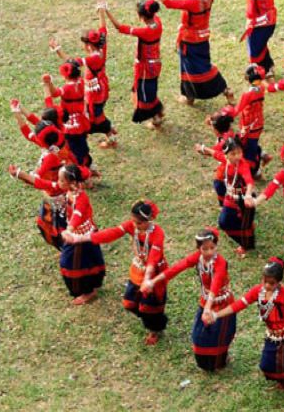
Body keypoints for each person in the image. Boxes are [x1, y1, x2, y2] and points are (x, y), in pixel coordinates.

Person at [67, 200, 168, 344]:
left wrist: (147, 278)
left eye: (138, 223)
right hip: (138, 270)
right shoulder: (132, 226)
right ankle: (149, 318)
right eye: (133, 222)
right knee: (129, 303)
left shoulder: (157, 233)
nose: (135, 225)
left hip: (154, 275)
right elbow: (111, 233)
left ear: (149, 220)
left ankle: (155, 329)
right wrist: (81, 238)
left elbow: (153, 258)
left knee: (151, 306)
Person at [207, 257, 284, 389]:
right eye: (265, 281)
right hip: (273, 336)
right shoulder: (258, 291)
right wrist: (216, 315)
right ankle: (282, 381)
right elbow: (239, 304)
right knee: (267, 364)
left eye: (271, 283)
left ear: (279, 282)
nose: (267, 285)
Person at [144, 228, 235, 371]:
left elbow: (215, 284)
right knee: (198, 336)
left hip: (222, 304)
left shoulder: (220, 263)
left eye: (212, 247)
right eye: (205, 249)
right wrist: (153, 281)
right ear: (199, 248)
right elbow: (177, 268)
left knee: (219, 336)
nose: (209, 252)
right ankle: (210, 361)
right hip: (206, 302)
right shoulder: (198, 257)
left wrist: (207, 309)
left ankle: (221, 361)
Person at [13, 164, 104, 305]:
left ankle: (88, 292)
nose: (58, 182)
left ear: (72, 182)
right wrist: (19, 174)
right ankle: (92, 284)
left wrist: (69, 229)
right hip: (78, 233)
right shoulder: (69, 189)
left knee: (70, 263)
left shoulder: (81, 198)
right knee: (87, 260)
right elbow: (45, 183)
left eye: (61, 180)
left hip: (79, 237)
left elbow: (78, 215)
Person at [148, 0, 230, 105]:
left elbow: (168, 3)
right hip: (203, 38)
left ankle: (217, 91)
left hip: (190, 41)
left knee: (191, 69)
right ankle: (193, 96)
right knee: (204, 65)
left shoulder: (192, 2)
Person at [48, 2, 117, 148]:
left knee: (96, 117)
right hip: (102, 86)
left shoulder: (93, 57)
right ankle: (108, 132)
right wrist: (101, 12)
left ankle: (110, 135)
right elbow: (103, 28)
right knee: (95, 114)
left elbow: (72, 62)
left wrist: (58, 49)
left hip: (95, 91)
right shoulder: (101, 46)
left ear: (88, 45)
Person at [105, 0, 164, 128]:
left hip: (145, 68)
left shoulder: (144, 31)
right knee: (150, 90)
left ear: (141, 17)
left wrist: (106, 11)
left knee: (142, 95)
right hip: (155, 64)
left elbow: (119, 28)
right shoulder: (157, 23)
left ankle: (156, 119)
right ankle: (158, 113)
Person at [195, 137, 257, 258]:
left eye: (239, 152)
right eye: (233, 153)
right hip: (231, 196)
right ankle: (247, 228)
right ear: (227, 154)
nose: (238, 156)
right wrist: (202, 148)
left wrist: (248, 195)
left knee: (244, 225)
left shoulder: (243, 165)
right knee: (224, 222)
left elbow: (249, 181)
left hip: (243, 199)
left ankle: (245, 245)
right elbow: (215, 153)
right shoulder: (226, 160)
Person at [43, 62, 92, 168]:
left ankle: (79, 166)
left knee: (72, 147)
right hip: (81, 120)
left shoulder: (67, 88)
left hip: (69, 123)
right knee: (82, 142)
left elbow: (55, 94)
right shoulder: (82, 82)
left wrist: (49, 83)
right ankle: (88, 162)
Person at [233, 64, 271, 175]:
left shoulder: (248, 94)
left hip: (249, 125)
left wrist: (227, 113)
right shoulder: (261, 88)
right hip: (258, 122)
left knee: (248, 147)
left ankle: (254, 171)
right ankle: (263, 155)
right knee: (252, 143)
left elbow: (238, 109)